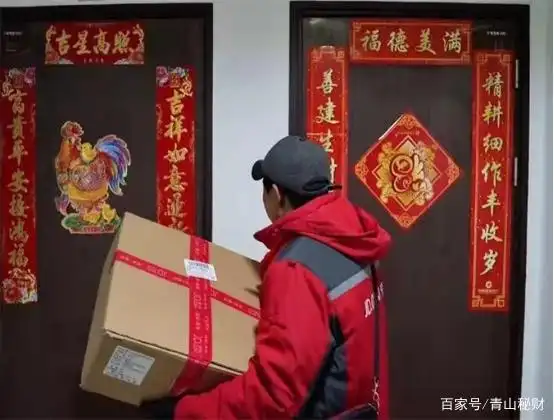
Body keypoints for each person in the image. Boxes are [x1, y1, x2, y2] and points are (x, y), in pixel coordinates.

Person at [142, 135, 392, 419]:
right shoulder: (353, 237)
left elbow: (274, 395)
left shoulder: (297, 270)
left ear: (276, 193)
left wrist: (184, 411)